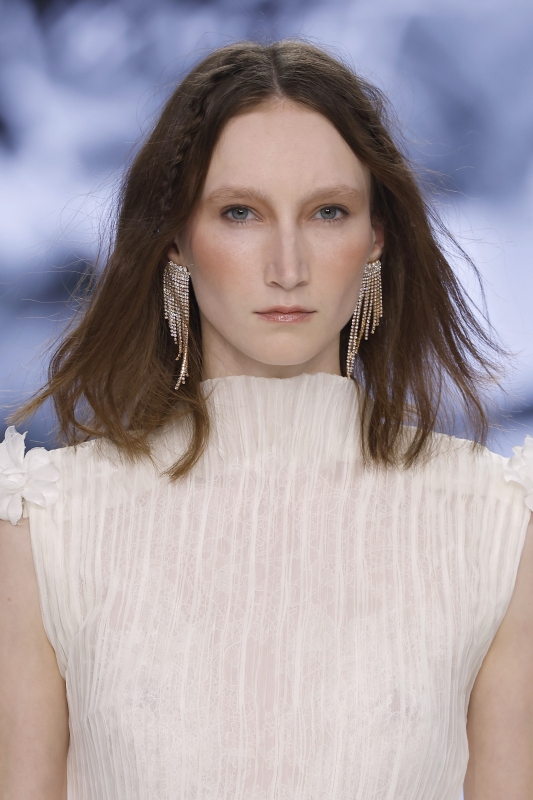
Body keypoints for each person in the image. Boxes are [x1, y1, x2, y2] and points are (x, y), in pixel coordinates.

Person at [0, 39, 532, 800]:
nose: (288, 267)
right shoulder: (47, 527)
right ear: (176, 238)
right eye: (240, 212)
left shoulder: (495, 528)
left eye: (327, 212)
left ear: (375, 237)